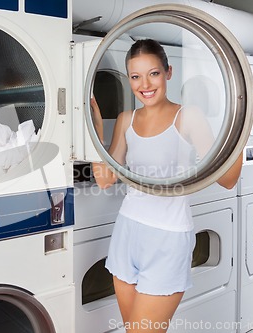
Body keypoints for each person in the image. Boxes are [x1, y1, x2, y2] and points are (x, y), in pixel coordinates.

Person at [91, 39, 243, 333]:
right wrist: (95, 130)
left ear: (168, 72)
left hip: (168, 239)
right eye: (135, 76)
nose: (144, 84)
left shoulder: (188, 116)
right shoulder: (126, 120)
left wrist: (241, 126)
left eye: (154, 74)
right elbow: (106, 179)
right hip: (127, 232)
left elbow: (227, 180)